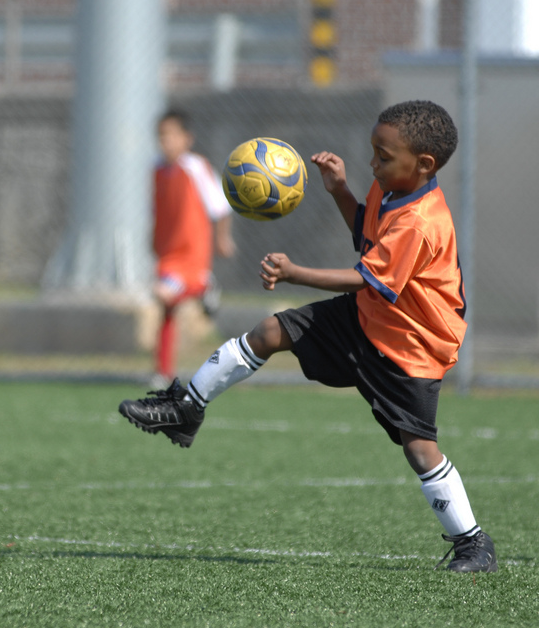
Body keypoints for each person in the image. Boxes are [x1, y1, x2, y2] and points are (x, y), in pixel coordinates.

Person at [119, 100, 497, 573]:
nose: (373, 164)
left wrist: (294, 271)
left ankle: (474, 544)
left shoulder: (422, 221)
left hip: (411, 347)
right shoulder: (391, 189)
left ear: (423, 165)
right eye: (373, 152)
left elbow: (366, 277)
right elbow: (367, 237)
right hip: (368, 317)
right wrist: (341, 190)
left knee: (418, 447)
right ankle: (186, 407)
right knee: (271, 331)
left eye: (383, 156)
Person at [152, 108, 235, 384]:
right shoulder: (157, 170)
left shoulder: (195, 167)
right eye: (162, 135)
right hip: (168, 254)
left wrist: (222, 239)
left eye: (172, 135)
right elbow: (160, 211)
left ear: (187, 139)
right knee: (166, 309)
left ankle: (204, 286)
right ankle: (163, 373)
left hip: (192, 254)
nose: (166, 141)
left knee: (164, 295)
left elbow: (220, 207)